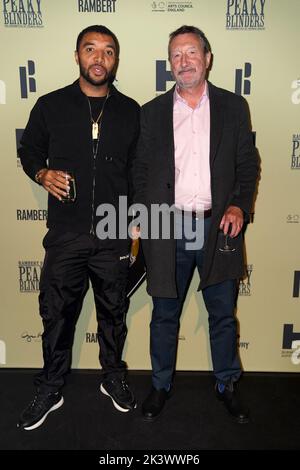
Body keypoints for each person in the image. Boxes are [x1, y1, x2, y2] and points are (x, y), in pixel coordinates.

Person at [133, 25, 258, 423]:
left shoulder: (233, 107)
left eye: (191, 53)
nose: (184, 62)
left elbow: (247, 164)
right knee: (164, 313)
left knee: (222, 313)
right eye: (176, 55)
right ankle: (159, 384)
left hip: (217, 227)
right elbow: (140, 170)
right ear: (169, 64)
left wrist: (239, 205)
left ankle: (227, 384)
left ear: (207, 58)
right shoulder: (151, 112)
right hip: (167, 229)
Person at [18, 25, 140, 431]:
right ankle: (51, 387)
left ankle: (112, 377)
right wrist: (40, 171)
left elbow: (139, 171)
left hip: (114, 234)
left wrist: (137, 220)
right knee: (55, 314)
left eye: (108, 51)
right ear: (77, 56)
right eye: (91, 50)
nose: (99, 58)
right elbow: (29, 148)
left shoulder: (130, 111)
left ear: (115, 60)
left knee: (114, 313)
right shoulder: (50, 105)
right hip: (66, 233)